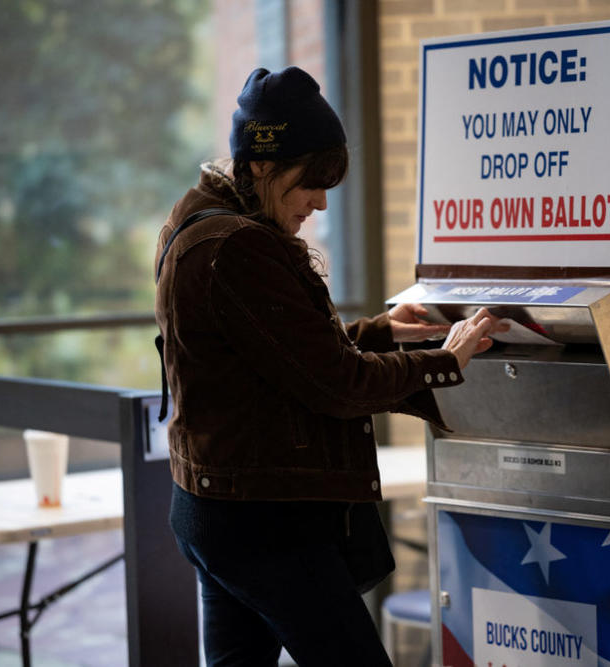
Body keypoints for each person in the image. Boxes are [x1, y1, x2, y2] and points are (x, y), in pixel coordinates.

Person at [154, 66, 502, 666]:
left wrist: (380, 332)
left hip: (214, 508)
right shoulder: (238, 247)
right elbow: (334, 383)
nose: (319, 201)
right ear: (260, 165)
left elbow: (270, 357)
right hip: (266, 525)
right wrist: (443, 362)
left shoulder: (193, 219)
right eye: (309, 181)